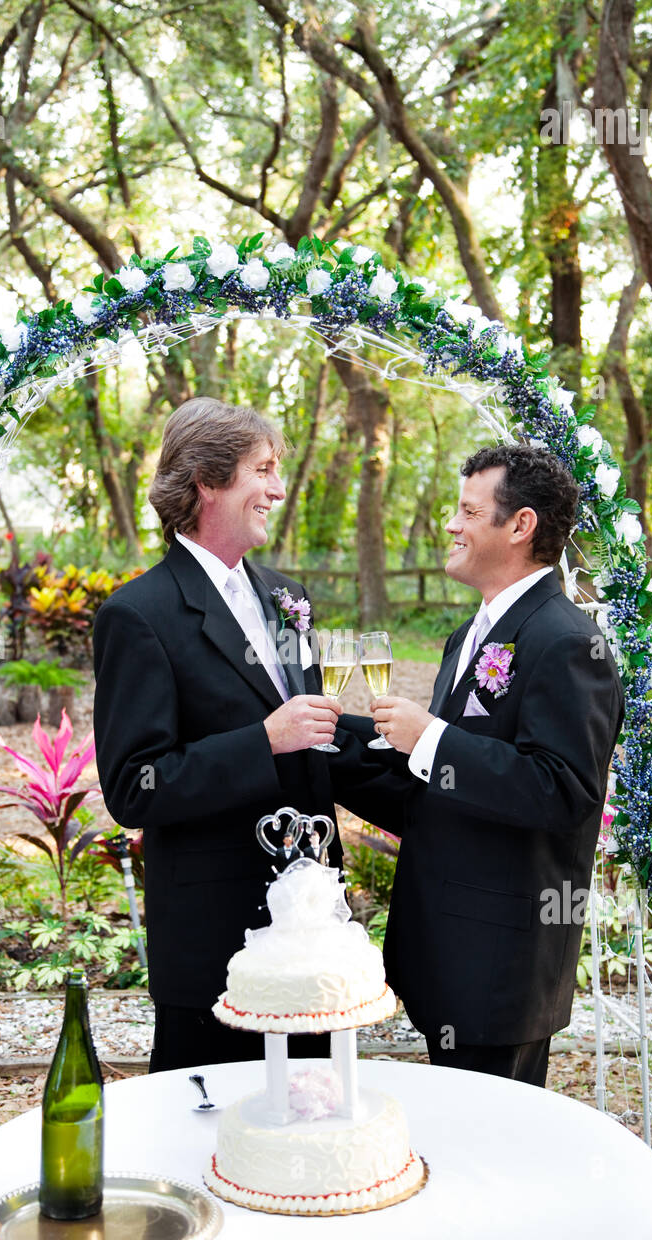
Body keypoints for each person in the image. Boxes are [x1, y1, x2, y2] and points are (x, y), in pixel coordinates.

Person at [92, 397, 405, 1072]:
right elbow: (132, 787)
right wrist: (261, 741)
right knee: (201, 1134)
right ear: (206, 482)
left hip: (311, 928)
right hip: (214, 942)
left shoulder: (288, 599)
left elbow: (312, 745)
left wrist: (433, 777)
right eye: (262, 470)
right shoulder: (138, 615)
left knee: (314, 1123)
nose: (278, 488)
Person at [368, 443, 624, 1087]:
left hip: (500, 962)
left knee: (493, 1156)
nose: (451, 525)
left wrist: (430, 738)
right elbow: (443, 788)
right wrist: (321, 746)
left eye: (467, 511)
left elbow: (561, 790)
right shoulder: (470, 636)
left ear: (520, 525)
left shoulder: (568, 642)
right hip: (447, 953)